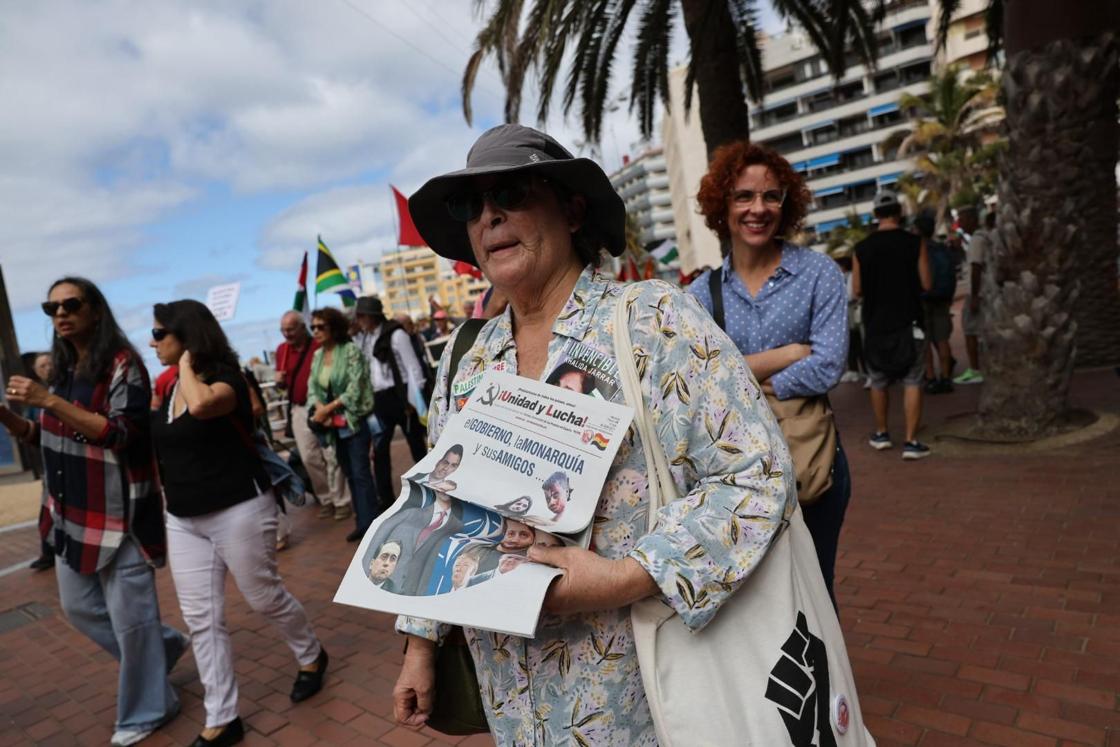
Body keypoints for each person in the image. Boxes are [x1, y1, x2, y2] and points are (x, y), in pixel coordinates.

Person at [394, 124, 798, 744]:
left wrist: (628, 575)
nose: (489, 215)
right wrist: (420, 644)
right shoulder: (464, 358)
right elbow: (442, 508)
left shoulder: (651, 320)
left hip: (640, 686)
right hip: (513, 693)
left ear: (573, 209)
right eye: (469, 205)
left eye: (512, 192)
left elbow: (757, 477)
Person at [0, 277, 188, 747]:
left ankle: (151, 706)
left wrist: (48, 399)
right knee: (80, 608)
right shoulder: (63, 369)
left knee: (132, 620)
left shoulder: (123, 365)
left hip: (120, 513)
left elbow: (123, 434)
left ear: (95, 310)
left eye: (70, 304)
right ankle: (162, 648)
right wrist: (8, 417)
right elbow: (43, 436)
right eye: (51, 307)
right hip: (71, 514)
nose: (60, 314)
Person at [150, 300, 328, 747]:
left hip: (238, 508)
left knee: (263, 596)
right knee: (201, 620)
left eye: (160, 334)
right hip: (184, 517)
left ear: (186, 338)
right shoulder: (169, 387)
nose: (152, 342)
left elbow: (206, 407)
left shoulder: (224, 379)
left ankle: (311, 655)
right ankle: (222, 717)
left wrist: (189, 361)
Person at [687, 141, 851, 604]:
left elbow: (829, 364)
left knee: (816, 592)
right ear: (723, 206)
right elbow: (699, 381)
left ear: (787, 203)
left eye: (771, 196)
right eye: (743, 196)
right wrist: (787, 354)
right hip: (732, 474)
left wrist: (739, 376)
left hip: (810, 462)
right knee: (753, 603)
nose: (758, 209)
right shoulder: (702, 293)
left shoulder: (819, 274)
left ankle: (825, 678)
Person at [852, 191, 933, 459]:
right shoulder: (914, 242)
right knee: (913, 379)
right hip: (909, 321)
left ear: (875, 215)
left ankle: (882, 433)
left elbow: (857, 289)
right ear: (899, 212)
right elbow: (927, 283)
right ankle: (911, 441)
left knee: (878, 380)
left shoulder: (861, 249)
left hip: (875, 324)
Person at [307, 306, 379, 542]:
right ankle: (362, 521)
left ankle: (371, 523)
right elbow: (313, 388)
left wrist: (328, 408)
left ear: (333, 327)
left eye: (320, 326)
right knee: (348, 473)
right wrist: (319, 409)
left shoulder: (350, 351)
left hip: (353, 421)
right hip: (331, 426)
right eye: (313, 327)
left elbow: (355, 389)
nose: (315, 331)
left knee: (360, 473)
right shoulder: (317, 356)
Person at [275, 311, 352, 522]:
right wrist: (279, 381)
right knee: (309, 457)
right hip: (300, 410)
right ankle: (325, 498)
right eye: (283, 330)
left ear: (302, 327)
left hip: (324, 408)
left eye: (290, 329)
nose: (286, 334)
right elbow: (283, 387)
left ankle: (341, 501)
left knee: (331, 455)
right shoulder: (282, 351)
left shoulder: (318, 347)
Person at [354, 297, 429, 508]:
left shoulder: (396, 334)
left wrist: (416, 400)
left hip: (401, 396)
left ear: (372, 316)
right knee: (379, 451)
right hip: (380, 399)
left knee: (416, 445)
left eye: (361, 316)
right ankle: (385, 499)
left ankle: (428, 490)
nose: (359, 320)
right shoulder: (366, 339)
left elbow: (413, 367)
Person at [19, 351, 55, 571]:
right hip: (47, 463)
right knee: (46, 508)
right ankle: (48, 551)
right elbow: (29, 429)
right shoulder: (33, 400)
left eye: (50, 364)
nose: (47, 368)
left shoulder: (63, 391)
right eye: (42, 366)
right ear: (35, 371)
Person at [915, 210, 958, 394]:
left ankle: (931, 378)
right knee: (943, 340)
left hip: (923, 300)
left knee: (925, 344)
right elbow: (953, 275)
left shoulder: (917, 251)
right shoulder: (942, 249)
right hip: (942, 299)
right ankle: (946, 377)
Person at [954, 207, 990, 385]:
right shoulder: (985, 236)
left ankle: (975, 370)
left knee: (970, 331)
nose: (960, 223)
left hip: (977, 292)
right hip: (985, 291)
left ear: (971, 219)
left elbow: (975, 267)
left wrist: (974, 295)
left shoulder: (977, 239)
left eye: (962, 219)